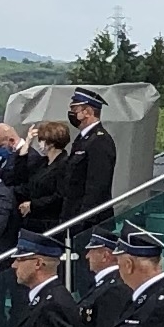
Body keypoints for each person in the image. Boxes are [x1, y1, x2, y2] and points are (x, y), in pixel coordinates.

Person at [56, 86, 118, 238]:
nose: (71, 113)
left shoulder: (100, 140)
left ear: (88, 112)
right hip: (74, 216)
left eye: (75, 109)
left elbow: (97, 185)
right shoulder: (83, 139)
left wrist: (83, 220)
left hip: (90, 222)